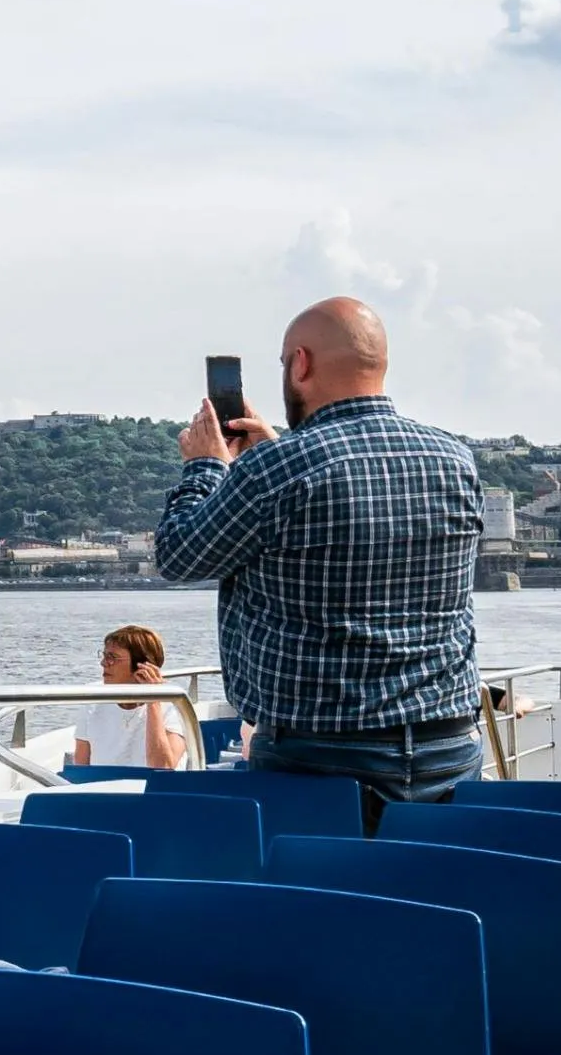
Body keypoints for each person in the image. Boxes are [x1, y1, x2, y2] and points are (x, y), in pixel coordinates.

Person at [153, 296, 484, 811]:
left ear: (301, 363)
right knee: (431, 886)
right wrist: (271, 453)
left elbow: (178, 554)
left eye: (285, 362)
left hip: (319, 754)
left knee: (323, 890)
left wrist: (206, 467)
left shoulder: (279, 470)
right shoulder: (456, 460)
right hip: (448, 744)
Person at [67, 624, 192, 771]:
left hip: (153, 792)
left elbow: (163, 768)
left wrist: (154, 701)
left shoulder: (175, 704)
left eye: (112, 657)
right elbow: (81, 771)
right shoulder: (92, 700)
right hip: (104, 791)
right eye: (104, 655)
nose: (103, 663)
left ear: (142, 665)